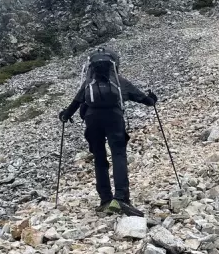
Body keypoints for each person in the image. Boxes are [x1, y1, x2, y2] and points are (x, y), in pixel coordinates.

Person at [59, 47, 157, 216]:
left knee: (99, 159)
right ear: (114, 64)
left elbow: (74, 105)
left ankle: (105, 199)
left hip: (92, 120)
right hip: (114, 118)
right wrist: (152, 99)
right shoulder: (119, 82)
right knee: (118, 155)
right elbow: (145, 100)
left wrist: (65, 115)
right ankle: (120, 198)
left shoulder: (89, 83)